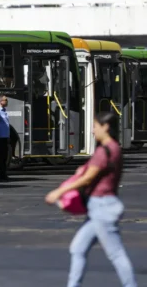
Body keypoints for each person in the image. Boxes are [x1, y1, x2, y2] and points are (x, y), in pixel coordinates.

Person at [45, 111, 137, 287]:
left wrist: (59, 191)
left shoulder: (105, 151)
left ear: (105, 127)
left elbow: (87, 178)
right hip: (98, 208)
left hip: (103, 207)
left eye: (95, 126)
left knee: (116, 254)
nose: (93, 131)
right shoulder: (115, 148)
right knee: (77, 248)